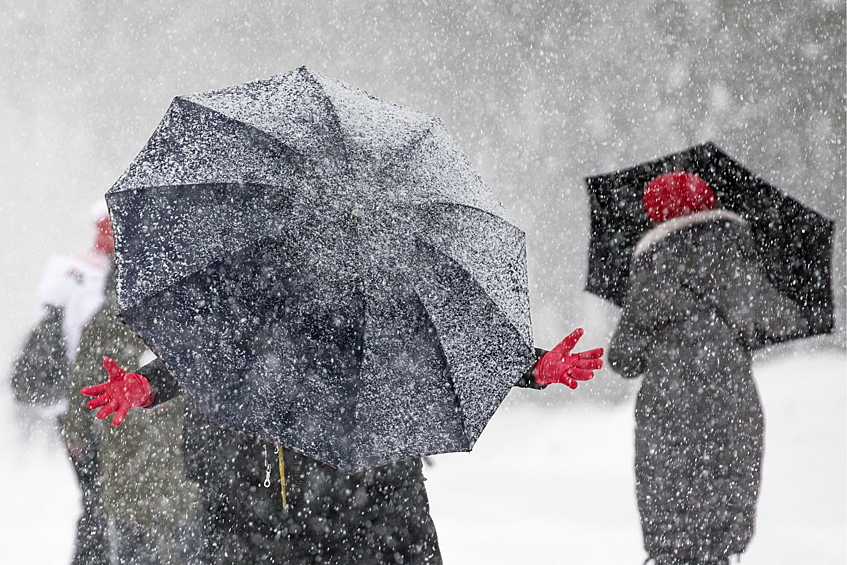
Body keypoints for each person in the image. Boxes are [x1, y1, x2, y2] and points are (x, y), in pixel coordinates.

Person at [81, 328, 602, 564]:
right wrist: (148, 386)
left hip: (379, 507)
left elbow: (455, 344)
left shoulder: (389, 302)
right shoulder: (264, 306)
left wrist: (531, 366)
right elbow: (212, 352)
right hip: (290, 515)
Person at [607, 171, 808, 565]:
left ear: (658, 216)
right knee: (720, 531)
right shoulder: (740, 259)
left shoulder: (651, 270)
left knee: (673, 536)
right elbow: (787, 320)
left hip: (669, 414)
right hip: (732, 407)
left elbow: (622, 359)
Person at [63, 265, 202, 565]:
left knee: (141, 535)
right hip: (157, 452)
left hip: (138, 452)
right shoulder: (183, 312)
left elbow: (81, 384)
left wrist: (77, 432)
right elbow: (83, 384)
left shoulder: (106, 320)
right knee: (163, 534)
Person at [10, 200, 113, 565]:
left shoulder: (68, 272)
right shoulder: (111, 279)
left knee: (96, 498)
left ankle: (90, 557)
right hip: (101, 402)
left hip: (74, 403)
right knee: (105, 500)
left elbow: (41, 332)